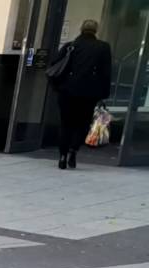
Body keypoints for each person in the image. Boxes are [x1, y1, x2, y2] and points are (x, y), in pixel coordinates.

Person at [50, 20, 112, 170]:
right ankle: (73, 150)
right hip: (89, 93)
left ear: (81, 29)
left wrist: (57, 87)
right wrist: (103, 94)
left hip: (67, 91)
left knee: (66, 123)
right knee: (82, 123)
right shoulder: (103, 47)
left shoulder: (70, 46)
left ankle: (62, 156)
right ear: (96, 30)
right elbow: (106, 73)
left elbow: (55, 66)